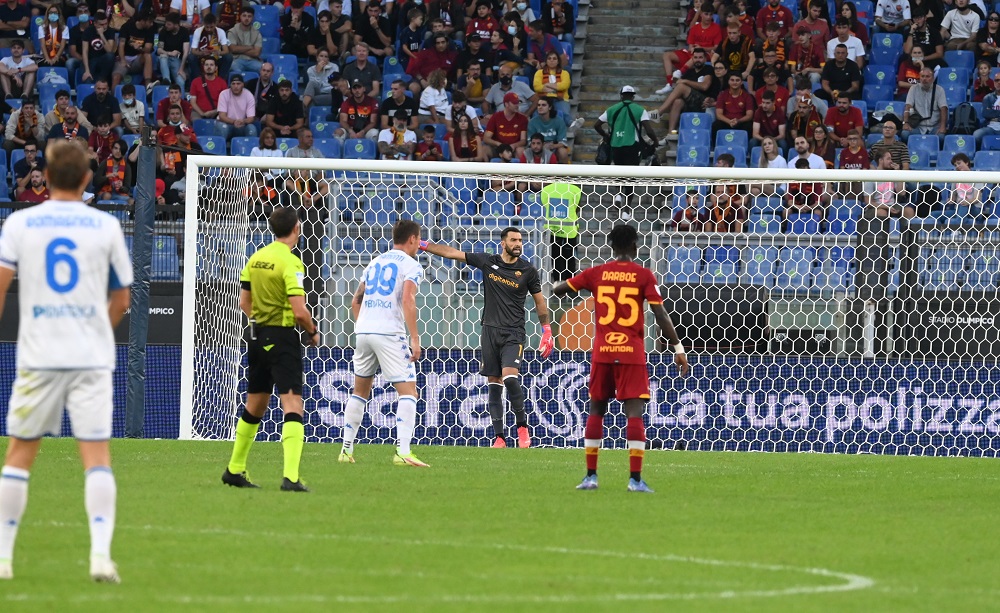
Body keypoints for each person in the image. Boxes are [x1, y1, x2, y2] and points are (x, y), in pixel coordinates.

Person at [0, 138, 132, 582]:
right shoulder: (106, 227)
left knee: (19, 453)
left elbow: (0, 287)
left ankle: (3, 558)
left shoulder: (20, 223)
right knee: (96, 456)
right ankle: (99, 556)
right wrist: (97, 330)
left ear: (47, 176)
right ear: (88, 179)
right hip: (91, 356)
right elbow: (123, 297)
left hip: (39, 353)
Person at [552, 224, 688, 493]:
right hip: (632, 353)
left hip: (603, 352)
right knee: (634, 415)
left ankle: (591, 476)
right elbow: (660, 315)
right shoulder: (644, 275)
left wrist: (565, 284)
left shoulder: (596, 273)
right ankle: (635, 480)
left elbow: (559, 289)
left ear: (611, 246)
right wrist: (678, 347)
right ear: (636, 246)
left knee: (596, 410)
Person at [420, 227, 552, 448]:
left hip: (514, 332)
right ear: (503, 243)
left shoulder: (528, 270)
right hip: (489, 331)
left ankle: (522, 427)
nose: (518, 243)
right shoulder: (487, 262)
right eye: (514, 240)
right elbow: (452, 253)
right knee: (494, 383)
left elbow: (539, 301)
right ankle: (499, 437)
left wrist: (546, 329)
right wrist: (423, 245)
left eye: (520, 240)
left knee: (510, 378)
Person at [222, 206, 318, 492]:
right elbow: (299, 311)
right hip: (282, 337)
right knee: (293, 405)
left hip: (257, 336)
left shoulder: (256, 257)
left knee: (255, 405)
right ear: (296, 229)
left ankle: (234, 469)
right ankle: (290, 478)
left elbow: (243, 302)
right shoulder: (291, 263)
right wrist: (312, 332)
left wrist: (256, 322)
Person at [339, 220, 428, 466]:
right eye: (419, 240)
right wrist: (415, 338)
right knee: (409, 392)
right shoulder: (411, 265)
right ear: (412, 239)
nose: (419, 245)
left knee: (359, 391)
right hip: (390, 333)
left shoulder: (375, 261)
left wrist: (366, 325)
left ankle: (346, 451)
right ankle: (403, 452)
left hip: (364, 331)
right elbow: (408, 300)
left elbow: (355, 302)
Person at [594, 85, 657, 208]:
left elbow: (597, 125)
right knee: (631, 176)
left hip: (615, 145)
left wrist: (606, 136)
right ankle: (626, 209)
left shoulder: (612, 109)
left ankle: (618, 194)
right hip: (633, 146)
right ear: (633, 96)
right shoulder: (640, 110)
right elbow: (649, 130)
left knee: (618, 170)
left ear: (621, 95)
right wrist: (655, 141)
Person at [541, 181, 581, 281]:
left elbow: (546, 206)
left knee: (556, 259)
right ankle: (571, 288)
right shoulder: (575, 189)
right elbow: (578, 207)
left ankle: (559, 289)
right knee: (570, 260)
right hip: (570, 230)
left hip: (553, 230)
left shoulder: (546, 189)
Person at [902, 66, 948, 141]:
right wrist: (905, 123)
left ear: (933, 79)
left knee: (941, 137)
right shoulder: (913, 89)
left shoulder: (940, 90)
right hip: (917, 127)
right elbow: (908, 106)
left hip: (934, 126)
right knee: (904, 134)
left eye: (927, 76)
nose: (924, 79)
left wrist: (942, 126)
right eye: (922, 76)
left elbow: (943, 109)